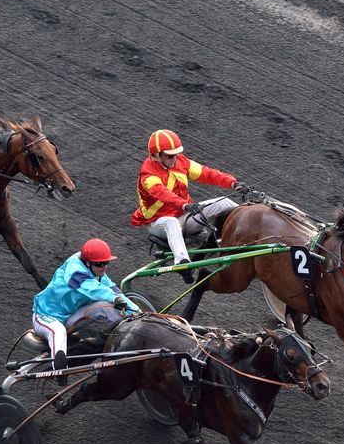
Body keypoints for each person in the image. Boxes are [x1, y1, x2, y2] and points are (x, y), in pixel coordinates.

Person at [131, 129, 250, 282]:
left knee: (224, 202)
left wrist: (233, 183)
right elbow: (163, 194)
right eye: (170, 155)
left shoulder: (181, 162)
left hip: (184, 216)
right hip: (158, 223)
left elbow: (208, 174)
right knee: (171, 222)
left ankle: (251, 228)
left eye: (175, 154)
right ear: (156, 155)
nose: (174, 159)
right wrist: (185, 206)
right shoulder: (148, 174)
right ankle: (182, 263)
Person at [32, 238, 141, 385]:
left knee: (105, 305)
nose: (105, 267)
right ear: (87, 262)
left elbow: (114, 291)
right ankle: (58, 370)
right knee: (58, 331)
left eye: (106, 262)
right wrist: (114, 298)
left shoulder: (96, 271)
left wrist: (137, 312)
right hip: (45, 317)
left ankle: (134, 332)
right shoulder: (74, 269)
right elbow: (92, 288)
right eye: (100, 264)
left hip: (71, 318)